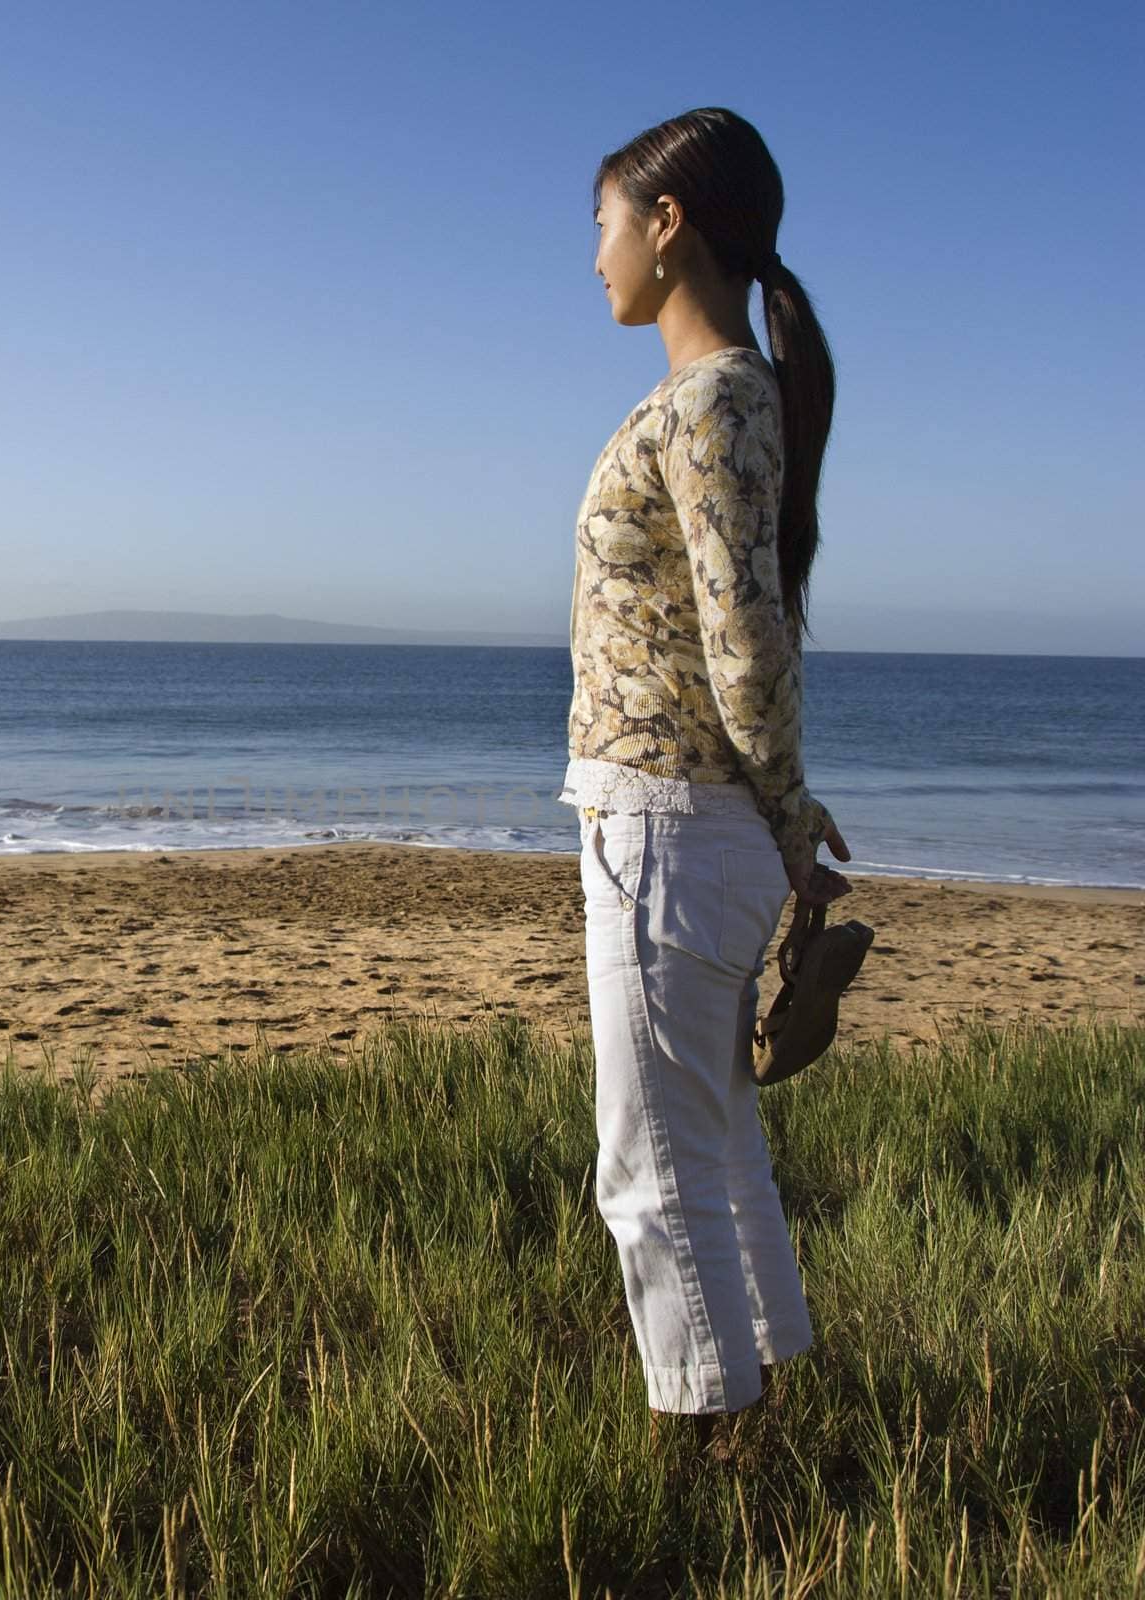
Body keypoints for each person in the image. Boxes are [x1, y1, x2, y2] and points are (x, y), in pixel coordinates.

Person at [559, 107, 856, 1457]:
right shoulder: (723, 397)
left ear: (668, 225)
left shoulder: (716, 396)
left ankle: (712, 1460)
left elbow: (749, 643)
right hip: (692, 829)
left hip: (671, 833)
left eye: (608, 224)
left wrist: (793, 822)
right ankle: (768, 1424)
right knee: (717, 1153)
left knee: (656, 1171)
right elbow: (746, 638)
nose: (597, 257)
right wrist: (784, 824)